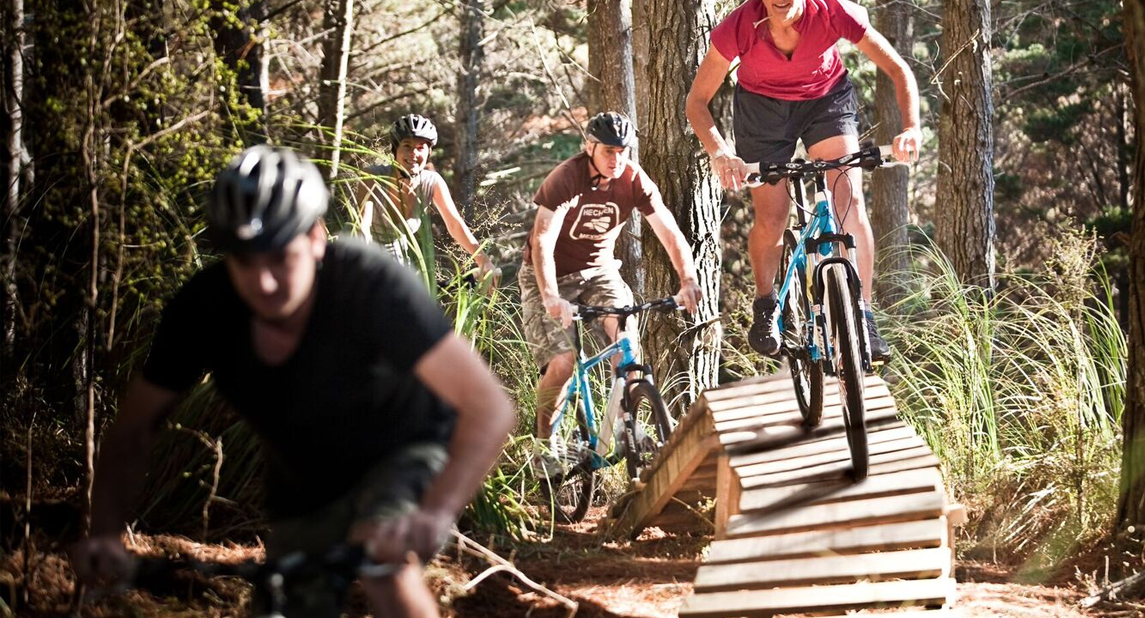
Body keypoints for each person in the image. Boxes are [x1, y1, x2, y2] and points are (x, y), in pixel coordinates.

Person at [70, 145, 516, 618]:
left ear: (317, 238)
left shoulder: (368, 285)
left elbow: (489, 406)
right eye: (245, 261)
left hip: (403, 449)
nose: (263, 282)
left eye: (281, 258)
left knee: (384, 563)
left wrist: (433, 515)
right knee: (286, 600)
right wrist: (104, 532)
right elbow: (133, 429)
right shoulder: (204, 308)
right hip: (306, 475)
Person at [686, 0, 924, 363]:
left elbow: (897, 69)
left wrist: (910, 128)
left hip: (825, 103)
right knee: (772, 216)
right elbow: (697, 101)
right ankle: (766, 303)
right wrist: (720, 152)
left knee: (848, 202)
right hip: (762, 111)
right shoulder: (738, 27)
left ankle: (863, 315)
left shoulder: (832, 12)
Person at [520, 112, 702, 459]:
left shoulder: (633, 179)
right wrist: (551, 296)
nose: (616, 159)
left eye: (622, 151)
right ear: (589, 147)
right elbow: (542, 240)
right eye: (608, 151)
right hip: (548, 276)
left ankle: (625, 426)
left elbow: (667, 230)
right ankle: (545, 448)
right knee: (563, 362)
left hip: (599, 271)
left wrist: (688, 280)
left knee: (626, 341)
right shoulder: (566, 178)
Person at [359, 113, 497, 279]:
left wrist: (484, 261)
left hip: (396, 263)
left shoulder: (432, 182)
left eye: (420, 148)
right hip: (360, 257)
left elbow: (455, 225)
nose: (413, 153)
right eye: (407, 146)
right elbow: (362, 225)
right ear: (395, 149)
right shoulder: (373, 176)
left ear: (428, 152)